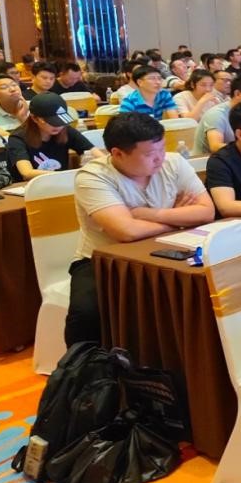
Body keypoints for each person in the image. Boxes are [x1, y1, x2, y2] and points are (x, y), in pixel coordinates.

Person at [66, 112, 214, 344]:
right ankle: (86, 364)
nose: (160, 158)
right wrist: (179, 219)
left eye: (162, 149)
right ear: (117, 153)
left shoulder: (174, 162)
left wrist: (149, 215)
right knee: (87, 313)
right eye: (149, 154)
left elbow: (207, 212)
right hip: (104, 261)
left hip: (169, 249)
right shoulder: (93, 177)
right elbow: (126, 232)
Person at [6, 93, 104, 181]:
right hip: (30, 187)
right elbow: (26, 172)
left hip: (61, 183)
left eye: (61, 121)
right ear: (34, 118)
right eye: (52, 122)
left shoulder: (66, 130)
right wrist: (67, 175)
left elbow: (99, 156)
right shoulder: (17, 138)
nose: (58, 126)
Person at [194, 74, 241, 155]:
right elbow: (215, 146)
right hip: (208, 160)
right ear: (237, 94)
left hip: (237, 157)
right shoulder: (217, 114)